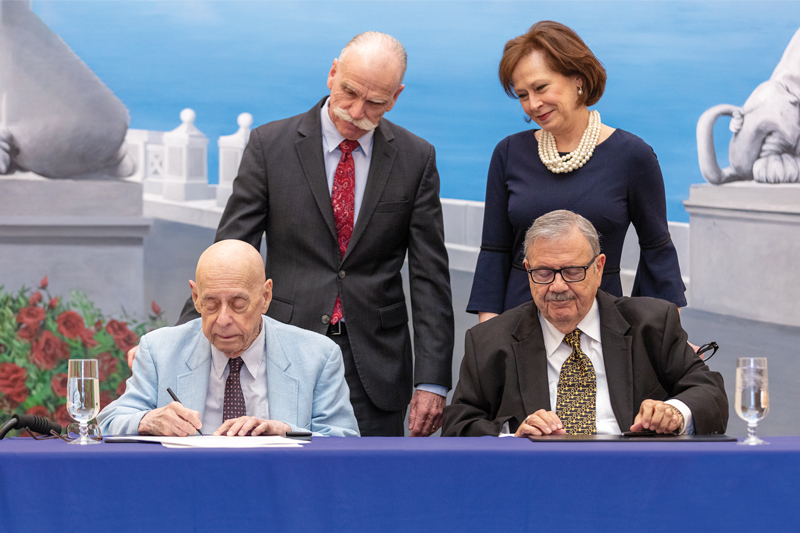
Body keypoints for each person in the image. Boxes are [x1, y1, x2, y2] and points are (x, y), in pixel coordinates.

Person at [147, 32, 453, 437]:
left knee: (366, 489)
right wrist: (175, 343)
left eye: (375, 102)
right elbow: (228, 252)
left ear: (396, 96)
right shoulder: (270, 146)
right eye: (349, 91)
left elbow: (430, 276)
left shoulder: (416, 158)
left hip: (375, 366)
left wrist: (431, 381)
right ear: (332, 74)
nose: (356, 111)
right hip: (281, 355)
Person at [468, 21, 686, 323]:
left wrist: (663, 339)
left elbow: (657, 253)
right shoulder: (508, 153)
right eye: (522, 94)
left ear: (578, 80)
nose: (533, 104)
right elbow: (494, 251)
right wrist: (488, 339)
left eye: (541, 87)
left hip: (603, 326)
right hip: (519, 327)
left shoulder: (633, 156)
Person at [442, 210, 728, 437]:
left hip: (636, 479)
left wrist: (674, 412)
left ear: (599, 267)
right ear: (527, 270)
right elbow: (457, 425)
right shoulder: (490, 341)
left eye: (572, 271)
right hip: (538, 483)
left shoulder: (651, 324)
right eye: (543, 272)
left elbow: (710, 392)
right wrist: (512, 435)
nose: (557, 286)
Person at [98, 240, 359, 437]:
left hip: (280, 495)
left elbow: (345, 440)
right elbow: (107, 423)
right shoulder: (159, 351)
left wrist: (284, 433)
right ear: (196, 297)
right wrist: (148, 421)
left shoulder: (318, 355)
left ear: (266, 296)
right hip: (189, 493)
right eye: (211, 304)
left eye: (238, 304)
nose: (223, 319)